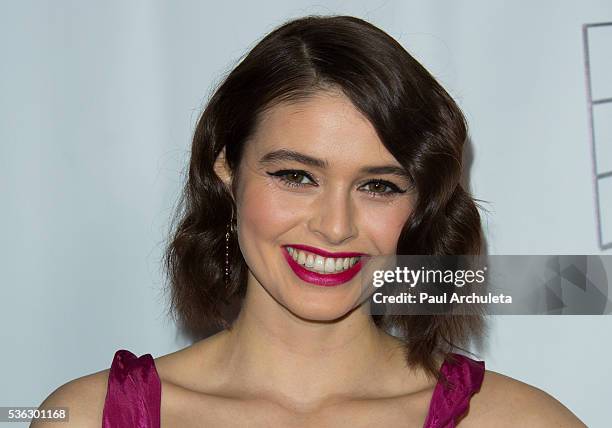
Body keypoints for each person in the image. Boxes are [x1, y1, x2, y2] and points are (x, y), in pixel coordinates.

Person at [34, 15, 585, 427]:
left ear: (420, 205)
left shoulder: (516, 420)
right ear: (225, 167)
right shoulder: (87, 417)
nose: (335, 225)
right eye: (297, 176)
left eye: (378, 186)